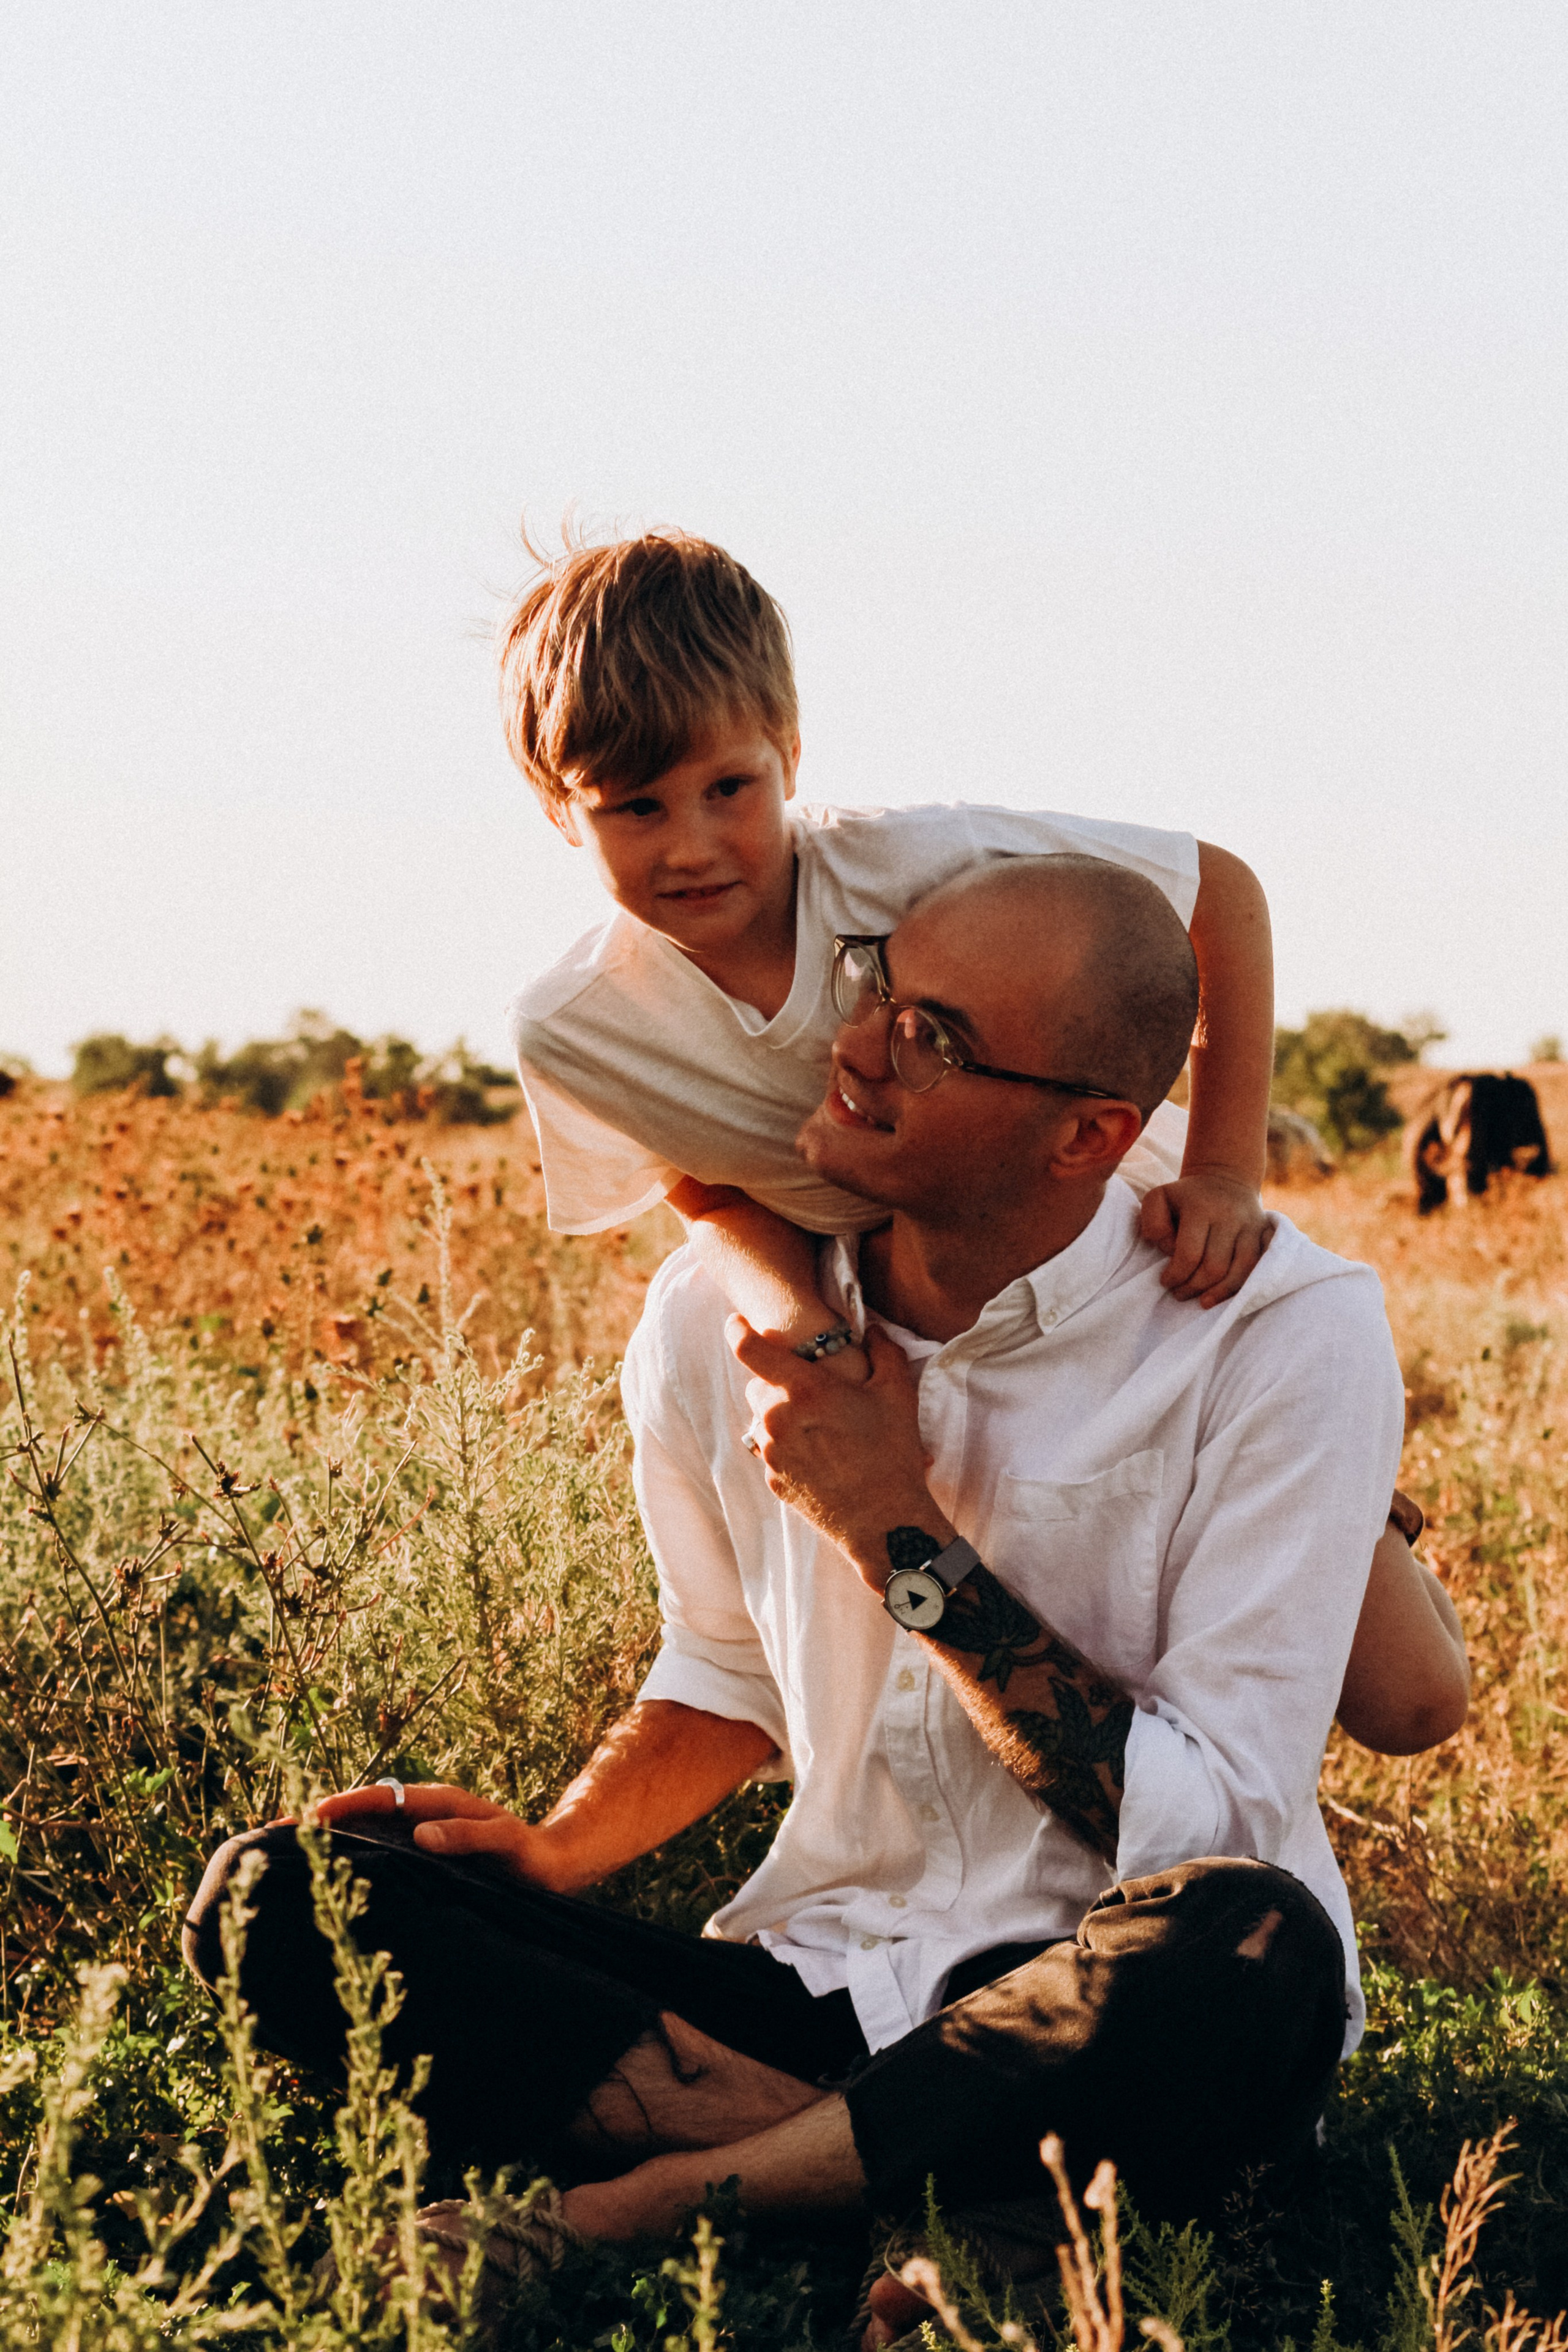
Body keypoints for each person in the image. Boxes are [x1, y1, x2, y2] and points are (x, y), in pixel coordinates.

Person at [184, 858, 1447, 2342]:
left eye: (934, 1039)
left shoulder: (1273, 1333)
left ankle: (637, 2208)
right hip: (821, 1980)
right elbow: (724, 1667)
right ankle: (926, 2195)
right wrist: (555, 1848)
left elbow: (1209, 1829)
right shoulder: (709, 1313)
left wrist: (892, 1528)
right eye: (875, 989)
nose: (852, 1047)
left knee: (1249, 1946)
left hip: (1093, 1985)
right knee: (289, 1891)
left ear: (1089, 1135)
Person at [497, 527, 1464, 1755]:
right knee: (1008, 1610)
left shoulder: (899, 863)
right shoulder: (580, 1027)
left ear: (788, 749)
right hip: (912, 1297)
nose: (690, 844)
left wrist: (1222, 1171)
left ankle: (1336, 1502)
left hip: (1098, 1235)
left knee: (1407, 1700)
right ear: (559, 811)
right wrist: (805, 1322)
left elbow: (1218, 893)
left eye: (728, 790)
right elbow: (702, 1185)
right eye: (635, 808)